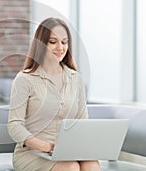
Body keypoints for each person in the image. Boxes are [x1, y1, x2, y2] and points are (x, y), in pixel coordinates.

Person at [7, 18, 100, 171]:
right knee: (69, 168)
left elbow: (82, 122)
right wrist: (44, 146)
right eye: (53, 42)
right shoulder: (24, 79)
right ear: (41, 44)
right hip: (32, 152)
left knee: (91, 165)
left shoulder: (75, 79)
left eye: (64, 42)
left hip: (67, 152)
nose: (60, 47)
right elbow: (14, 125)